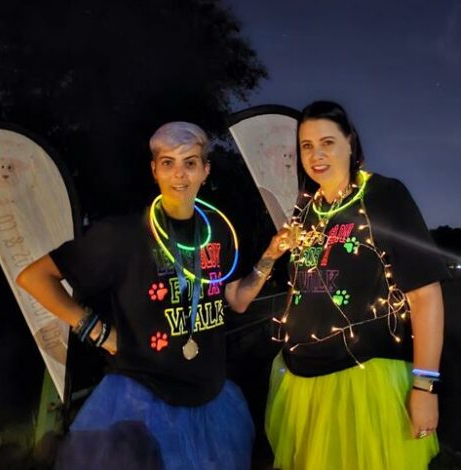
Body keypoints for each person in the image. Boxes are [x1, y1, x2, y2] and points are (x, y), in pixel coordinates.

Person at [16, 121, 288, 470]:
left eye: (190, 162)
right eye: (168, 163)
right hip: (142, 404)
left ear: (205, 170)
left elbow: (235, 299)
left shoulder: (216, 230)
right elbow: (35, 277)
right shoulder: (124, 235)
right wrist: (96, 332)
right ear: (154, 170)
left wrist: (270, 255)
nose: (180, 175)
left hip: (211, 404)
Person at [265, 101, 450, 469]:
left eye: (328, 142)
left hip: (366, 384)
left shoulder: (382, 196)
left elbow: (425, 295)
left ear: (351, 143)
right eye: (306, 145)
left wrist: (424, 386)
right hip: (302, 384)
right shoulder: (304, 212)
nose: (316, 154)